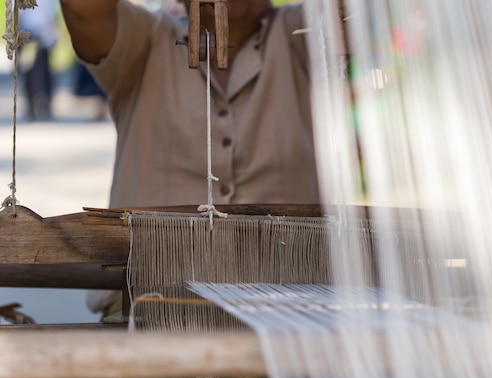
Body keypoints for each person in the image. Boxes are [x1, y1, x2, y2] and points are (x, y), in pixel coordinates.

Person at [59, 0, 319, 317]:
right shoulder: (146, 39)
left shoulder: (303, 34)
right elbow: (83, 9)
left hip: (292, 313)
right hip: (146, 311)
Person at [19, 0, 59, 121]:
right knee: (31, 72)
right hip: (30, 34)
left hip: (41, 35)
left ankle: (42, 103)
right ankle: (34, 104)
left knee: (40, 71)